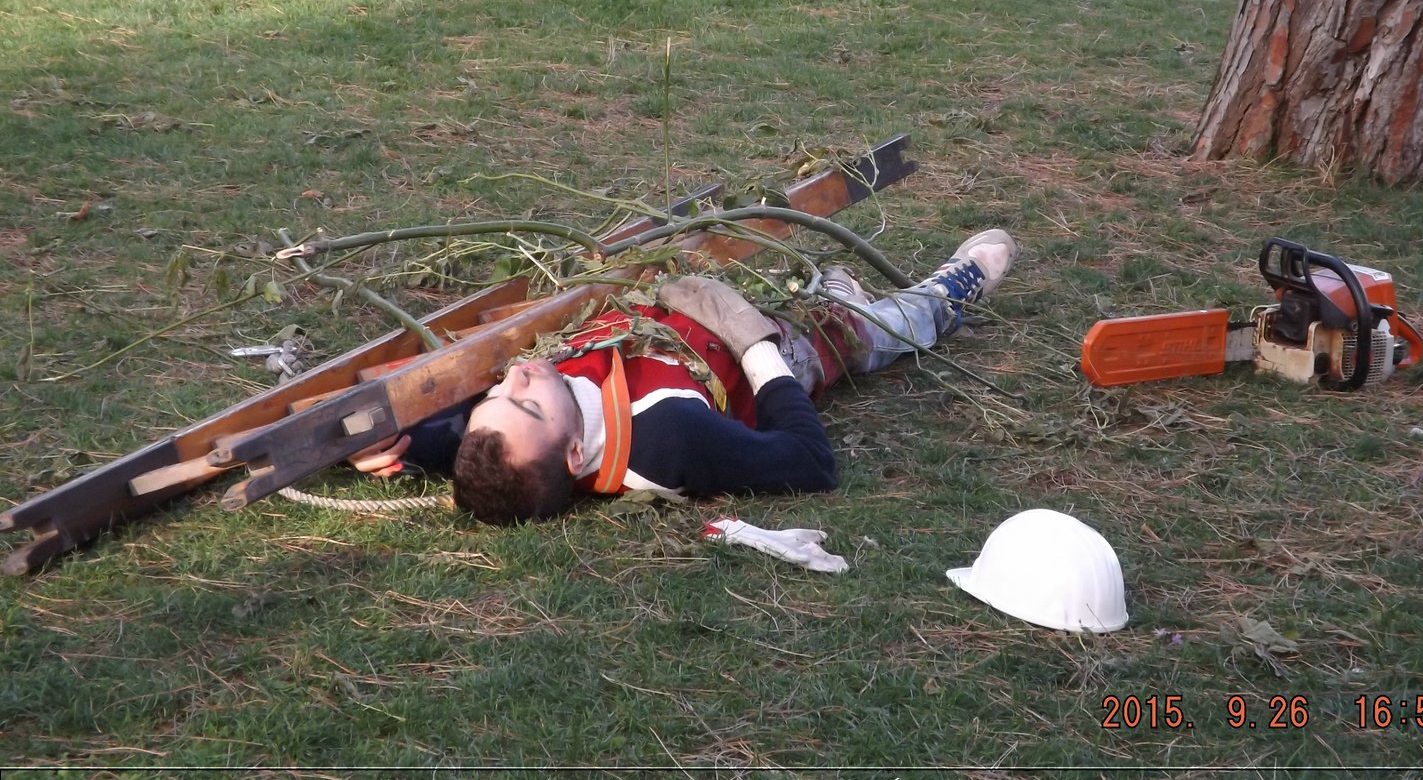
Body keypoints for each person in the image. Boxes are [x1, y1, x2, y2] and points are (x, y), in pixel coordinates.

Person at [353, 230, 1018, 522]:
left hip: (658, 301)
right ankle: (945, 294)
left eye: (499, 394)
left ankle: (831, 286)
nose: (518, 377)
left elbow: (471, 444)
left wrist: (396, 449)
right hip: (772, 345)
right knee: (866, 336)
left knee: (804, 277)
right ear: (577, 452)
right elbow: (810, 461)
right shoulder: (667, 440)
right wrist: (752, 340)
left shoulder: (516, 443)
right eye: (525, 403)